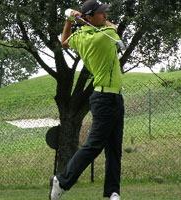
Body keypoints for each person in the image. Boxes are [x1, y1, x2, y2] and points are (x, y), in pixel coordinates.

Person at [49, 0, 125, 199]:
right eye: (101, 13)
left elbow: (64, 41)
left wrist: (69, 19)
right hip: (105, 98)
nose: (105, 16)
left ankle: (113, 192)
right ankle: (62, 181)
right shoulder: (105, 36)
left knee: (114, 147)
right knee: (94, 145)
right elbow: (113, 27)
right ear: (89, 17)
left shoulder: (82, 36)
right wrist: (83, 20)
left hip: (114, 97)